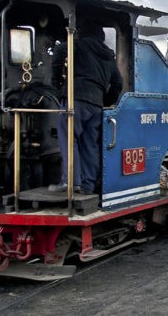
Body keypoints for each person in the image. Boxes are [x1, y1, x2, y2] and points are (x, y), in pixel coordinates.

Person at [49, 21, 123, 194]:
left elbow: (60, 50)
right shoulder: (108, 56)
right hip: (96, 105)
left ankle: (70, 181)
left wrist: (57, 81)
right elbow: (118, 83)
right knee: (90, 144)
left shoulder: (79, 44)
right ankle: (88, 185)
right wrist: (104, 100)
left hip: (76, 98)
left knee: (68, 138)